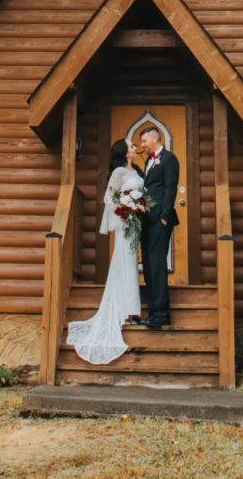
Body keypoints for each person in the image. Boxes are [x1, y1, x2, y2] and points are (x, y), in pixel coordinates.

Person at [65, 138, 144, 364]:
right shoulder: (118, 171)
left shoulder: (136, 170)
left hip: (134, 222)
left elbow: (139, 192)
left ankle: (130, 308)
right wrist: (125, 209)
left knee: (130, 260)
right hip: (125, 221)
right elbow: (108, 197)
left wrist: (138, 206)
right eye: (131, 146)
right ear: (124, 152)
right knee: (125, 259)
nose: (135, 148)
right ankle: (126, 309)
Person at [139, 125, 179, 328]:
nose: (143, 145)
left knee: (156, 265)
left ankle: (162, 314)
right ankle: (153, 312)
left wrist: (164, 217)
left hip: (160, 221)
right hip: (146, 221)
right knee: (148, 265)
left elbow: (170, 189)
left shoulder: (169, 159)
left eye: (145, 141)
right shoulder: (148, 161)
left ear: (155, 138)